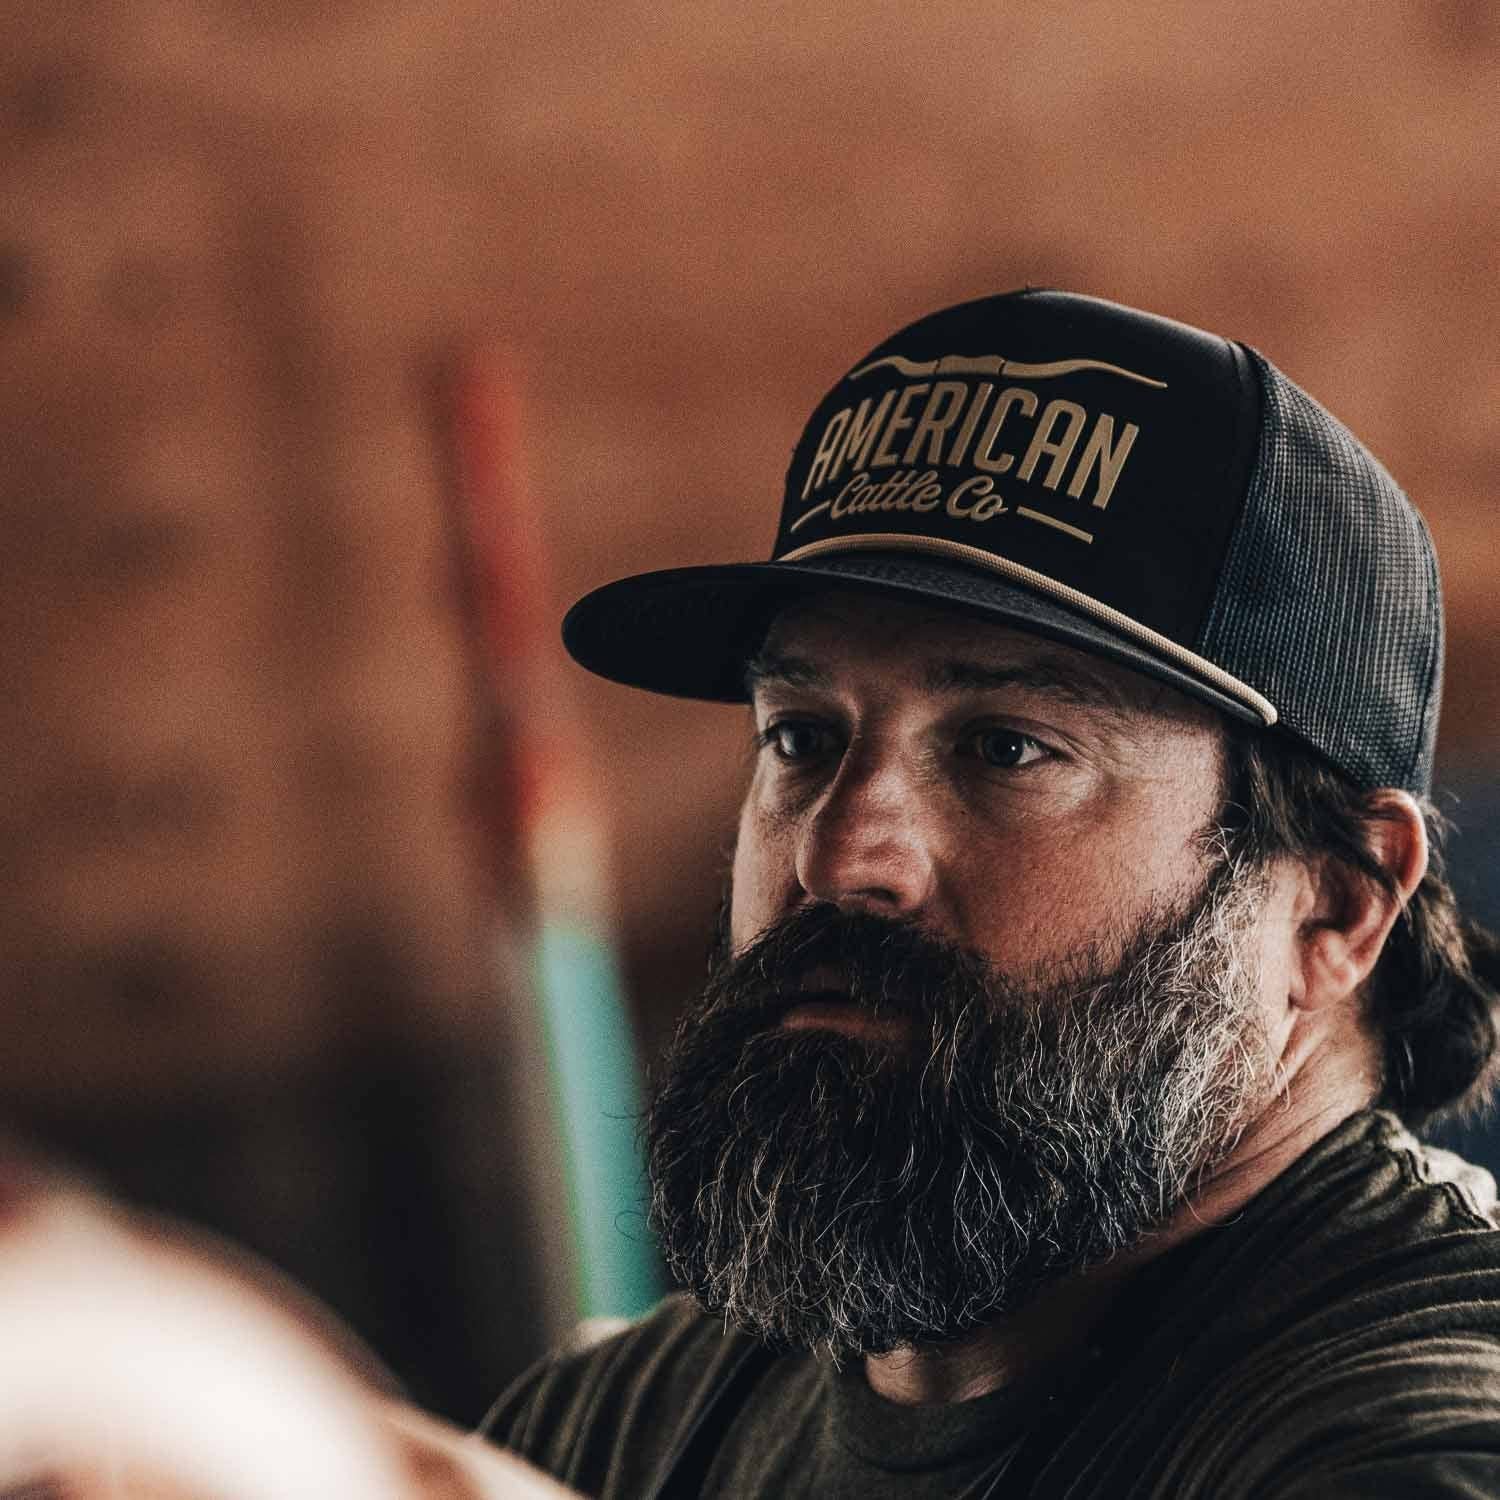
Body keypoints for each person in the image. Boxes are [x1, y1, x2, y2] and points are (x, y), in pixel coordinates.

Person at [483, 288, 1500, 1497]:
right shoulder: (613, 1430)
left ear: (1337, 907)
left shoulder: (1422, 1418)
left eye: (1006, 748)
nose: (838, 858)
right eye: (802, 736)